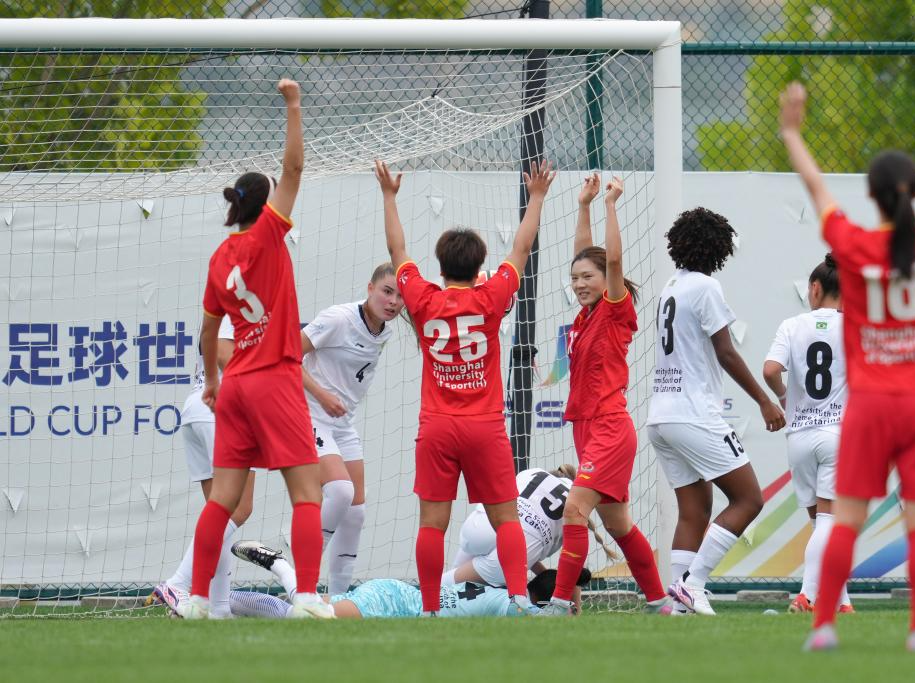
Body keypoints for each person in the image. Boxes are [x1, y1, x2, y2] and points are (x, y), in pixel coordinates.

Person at [780, 60, 915, 651]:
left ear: (871, 195)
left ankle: (824, 626)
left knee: (845, 519)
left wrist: (792, 133)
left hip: (871, 406)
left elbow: (817, 189)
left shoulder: (851, 246)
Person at [375, 158, 556, 615]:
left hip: (437, 426)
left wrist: (390, 196)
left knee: (431, 525)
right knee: (506, 519)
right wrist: (536, 196)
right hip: (484, 427)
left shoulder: (422, 297)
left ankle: (430, 609)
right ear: (479, 268)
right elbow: (522, 247)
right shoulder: (491, 296)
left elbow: (397, 249)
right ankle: (518, 600)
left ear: (440, 267)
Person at [183, 78, 332, 619]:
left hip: (238, 384)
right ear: (265, 205)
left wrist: (211, 382)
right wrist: (294, 104)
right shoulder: (268, 234)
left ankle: (198, 600)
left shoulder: (220, 257)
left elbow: (208, 333)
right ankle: (308, 597)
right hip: (273, 377)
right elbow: (294, 168)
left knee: (223, 499)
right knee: (308, 491)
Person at [540, 175, 671, 616]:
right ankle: (660, 602)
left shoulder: (615, 309)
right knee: (619, 526)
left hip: (610, 429)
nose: (579, 283)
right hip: (586, 427)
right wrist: (584, 206)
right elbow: (589, 254)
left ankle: (559, 603)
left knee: (574, 510)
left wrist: (611, 205)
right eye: (574, 278)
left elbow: (611, 259)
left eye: (587, 277)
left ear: (606, 280)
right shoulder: (584, 316)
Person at [646, 205, 786, 616]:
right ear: (718, 248)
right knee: (749, 499)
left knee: (695, 511)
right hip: (693, 414)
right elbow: (725, 351)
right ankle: (693, 585)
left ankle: (679, 604)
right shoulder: (706, 286)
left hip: (661, 416)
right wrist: (764, 400)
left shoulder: (672, 286)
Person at [300, 263, 404, 595]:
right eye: (386, 291)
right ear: (370, 288)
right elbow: (285, 356)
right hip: (310, 415)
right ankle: (302, 585)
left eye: (400, 296)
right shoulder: (338, 319)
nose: (393, 301)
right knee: (341, 493)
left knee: (356, 513)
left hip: (343, 425)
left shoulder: (384, 330)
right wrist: (321, 394)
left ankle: (339, 600)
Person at [149, 315, 257, 618]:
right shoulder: (243, 304)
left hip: (200, 408)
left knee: (221, 515)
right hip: (221, 408)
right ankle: (178, 584)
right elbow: (222, 351)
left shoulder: (246, 307)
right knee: (238, 507)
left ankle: (218, 607)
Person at [763, 255, 853, 615]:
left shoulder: (792, 325)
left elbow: (770, 370)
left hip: (799, 436)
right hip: (837, 435)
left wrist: (785, 398)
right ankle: (807, 596)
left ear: (814, 289)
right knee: (830, 523)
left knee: (820, 523)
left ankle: (842, 601)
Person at [226, 541, 593, 619]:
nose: (574, 610)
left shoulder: (505, 593)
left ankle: (223, 601)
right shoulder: (513, 608)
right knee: (305, 617)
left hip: (397, 595)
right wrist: (569, 601)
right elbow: (552, 618)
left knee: (307, 610)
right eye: (571, 606)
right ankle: (279, 565)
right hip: (394, 604)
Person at [442, 464, 619, 588]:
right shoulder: (576, 503)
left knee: (449, 586)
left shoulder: (534, 472)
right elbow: (531, 545)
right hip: (516, 549)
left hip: (481, 525)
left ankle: (433, 601)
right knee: (450, 588)